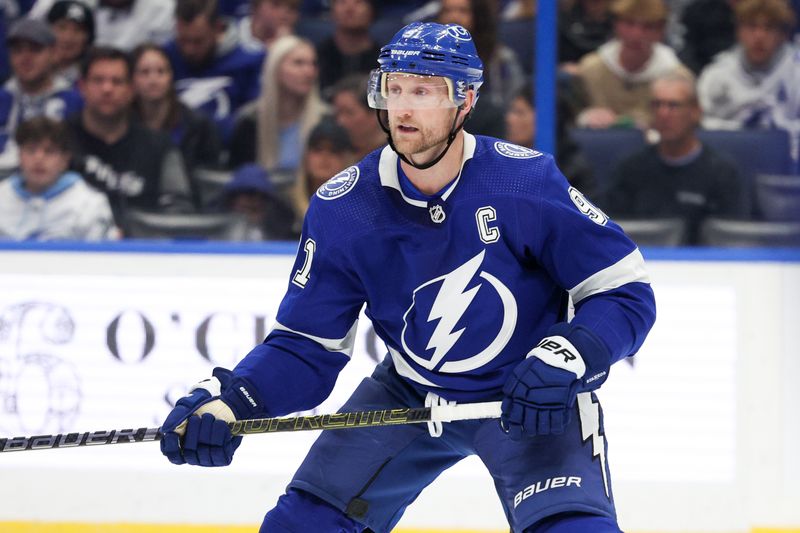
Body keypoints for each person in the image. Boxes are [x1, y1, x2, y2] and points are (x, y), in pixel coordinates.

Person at [159, 22, 656, 533]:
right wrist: (234, 399)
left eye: (422, 91)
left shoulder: (522, 182)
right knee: (301, 525)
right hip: (410, 394)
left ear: (465, 101)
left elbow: (624, 291)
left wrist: (569, 356)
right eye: (394, 88)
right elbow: (306, 346)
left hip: (527, 397)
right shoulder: (344, 208)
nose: (403, 108)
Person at [605, 72, 748, 244]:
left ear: (695, 112)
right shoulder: (630, 169)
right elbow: (611, 232)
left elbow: (731, 239)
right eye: (657, 105)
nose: (663, 114)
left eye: (673, 105)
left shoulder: (722, 173)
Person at [69, 46, 193, 227]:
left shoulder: (159, 146)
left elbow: (179, 210)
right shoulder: (59, 140)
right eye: (98, 80)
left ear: (132, 89)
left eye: (117, 81)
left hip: (142, 250)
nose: (107, 89)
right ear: (82, 87)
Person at [227, 34, 327, 187]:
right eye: (298, 63)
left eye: (313, 64)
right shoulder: (249, 121)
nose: (309, 72)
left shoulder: (327, 120)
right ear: (275, 69)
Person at [574, 0, 692, 129]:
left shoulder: (679, 78)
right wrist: (585, 116)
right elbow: (567, 118)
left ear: (661, 31)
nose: (636, 34)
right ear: (616, 25)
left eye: (648, 27)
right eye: (629, 24)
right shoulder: (591, 69)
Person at [0, 116, 117, 241]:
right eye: (31, 150)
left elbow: (104, 256)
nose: (39, 159)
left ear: (65, 160)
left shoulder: (90, 204)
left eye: (49, 151)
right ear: (19, 156)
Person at [165, 0, 265, 142]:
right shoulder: (165, 57)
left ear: (217, 28)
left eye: (198, 41)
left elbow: (252, 121)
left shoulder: (250, 62)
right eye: (183, 40)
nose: (189, 50)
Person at [697, 0, 798, 132]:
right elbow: (697, 120)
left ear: (783, 35)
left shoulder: (796, 71)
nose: (759, 36)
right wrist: (741, 130)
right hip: (731, 149)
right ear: (738, 31)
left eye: (769, 28)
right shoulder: (716, 74)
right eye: (751, 26)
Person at [0, 18, 83, 173]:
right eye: (18, 50)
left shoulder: (75, 102)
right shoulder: (2, 98)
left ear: (53, 53)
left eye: (35, 49)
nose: (25, 58)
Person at [131, 43, 222, 184]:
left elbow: (209, 178)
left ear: (171, 77)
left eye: (161, 71)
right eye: (144, 72)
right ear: (131, 79)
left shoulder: (199, 125)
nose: (153, 80)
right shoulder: (120, 123)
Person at [505, 83, 598, 198]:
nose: (509, 119)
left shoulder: (572, 171)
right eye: (512, 111)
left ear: (546, 118)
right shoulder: (501, 161)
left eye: (519, 113)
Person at [291, 117, 356, 219]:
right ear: (305, 157)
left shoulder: (358, 209)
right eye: (318, 149)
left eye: (334, 151)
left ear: (347, 160)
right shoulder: (285, 208)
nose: (325, 157)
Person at [217, 163, 299, 240]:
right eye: (248, 193)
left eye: (262, 197)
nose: (253, 201)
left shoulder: (286, 241)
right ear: (231, 200)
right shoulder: (211, 241)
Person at [315, 0, 381, 96]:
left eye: (358, 2)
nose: (349, 9)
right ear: (332, 11)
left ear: (372, 11)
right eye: (342, 2)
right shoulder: (316, 57)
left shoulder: (385, 62)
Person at [330, 73, 386, 160]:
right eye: (337, 113)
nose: (340, 121)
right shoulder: (334, 152)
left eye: (349, 113)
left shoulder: (396, 156)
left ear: (377, 113)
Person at [46, 0, 96, 85]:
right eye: (62, 28)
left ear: (88, 38)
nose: (68, 38)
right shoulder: (33, 72)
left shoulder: (93, 77)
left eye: (78, 30)